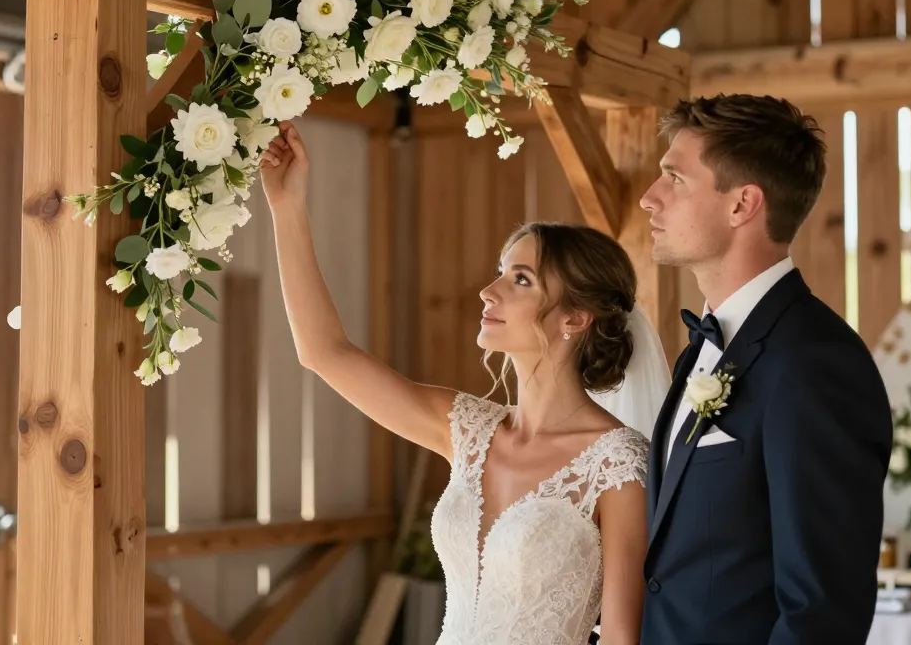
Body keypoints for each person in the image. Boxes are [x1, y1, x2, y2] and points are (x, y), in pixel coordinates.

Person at [259, 121, 670, 644]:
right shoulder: (468, 429)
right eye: (501, 272)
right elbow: (324, 352)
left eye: (520, 279)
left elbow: (621, 638)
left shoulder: (618, 464)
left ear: (575, 318)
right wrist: (286, 207)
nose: (488, 291)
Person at [639, 94, 893, 644]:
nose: (649, 198)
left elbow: (820, 610)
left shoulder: (815, 363)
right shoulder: (703, 349)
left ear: (742, 205)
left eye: (675, 178)